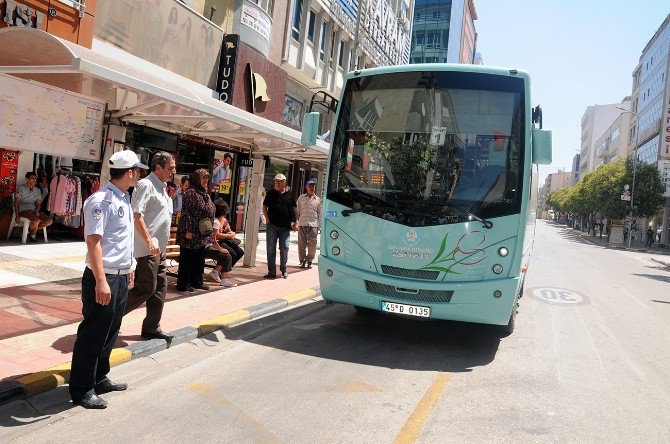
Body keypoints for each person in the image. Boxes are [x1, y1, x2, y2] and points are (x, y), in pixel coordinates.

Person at [69, 151, 148, 409]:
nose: (139, 174)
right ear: (129, 173)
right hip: (103, 278)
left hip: (120, 275)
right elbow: (94, 243)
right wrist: (102, 281)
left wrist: (130, 267)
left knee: (110, 331)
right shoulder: (100, 201)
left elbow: (121, 241)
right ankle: (82, 389)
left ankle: (99, 377)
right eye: (137, 170)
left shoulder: (124, 197)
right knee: (93, 333)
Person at [123, 152, 175, 342]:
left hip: (159, 249)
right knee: (146, 288)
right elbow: (137, 216)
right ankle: (109, 317)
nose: (173, 171)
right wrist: (148, 241)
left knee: (160, 289)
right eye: (170, 168)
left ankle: (152, 327)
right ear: (158, 167)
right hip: (148, 248)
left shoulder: (163, 188)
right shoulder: (146, 185)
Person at [176, 169, 214, 292]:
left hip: (201, 232)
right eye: (203, 178)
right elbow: (187, 214)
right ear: (197, 179)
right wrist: (189, 230)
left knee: (198, 259)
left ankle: (196, 281)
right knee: (187, 259)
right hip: (190, 231)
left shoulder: (204, 193)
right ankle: (183, 284)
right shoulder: (191, 193)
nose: (206, 181)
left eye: (207, 178)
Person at [263, 173, 298, 279]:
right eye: (276, 181)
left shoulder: (290, 194)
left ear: (284, 182)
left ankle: (283, 269)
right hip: (272, 226)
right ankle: (272, 272)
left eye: (279, 181)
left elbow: (295, 209)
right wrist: (267, 220)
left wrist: (296, 222)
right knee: (270, 249)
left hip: (285, 228)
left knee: (284, 248)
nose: (277, 183)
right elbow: (264, 207)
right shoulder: (270, 194)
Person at [204, 203, 237, 287]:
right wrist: (220, 249)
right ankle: (224, 280)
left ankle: (217, 273)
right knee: (227, 256)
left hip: (202, 247)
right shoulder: (216, 222)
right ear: (223, 213)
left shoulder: (211, 219)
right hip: (205, 248)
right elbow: (213, 238)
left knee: (228, 254)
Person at [13, 171, 53, 241]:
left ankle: (29, 231)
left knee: (49, 221)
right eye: (32, 178)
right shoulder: (21, 188)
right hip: (23, 211)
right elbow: (16, 202)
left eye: (35, 178)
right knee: (36, 220)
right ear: (27, 179)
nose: (34, 180)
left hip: (33, 211)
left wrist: (37, 210)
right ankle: (32, 234)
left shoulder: (37, 190)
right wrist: (17, 215)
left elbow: (38, 203)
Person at [296, 179, 321, 269]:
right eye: (310, 186)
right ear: (306, 187)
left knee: (313, 244)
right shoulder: (301, 198)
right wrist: (296, 222)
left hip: (313, 225)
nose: (311, 188)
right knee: (301, 244)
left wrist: (320, 226)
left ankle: (309, 260)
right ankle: (302, 261)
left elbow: (320, 213)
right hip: (302, 223)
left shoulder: (318, 200)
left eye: (313, 186)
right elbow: (297, 210)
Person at [214, 201, 245, 267]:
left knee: (240, 252)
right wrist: (229, 235)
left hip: (224, 240)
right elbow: (216, 235)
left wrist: (231, 233)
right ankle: (221, 271)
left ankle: (222, 270)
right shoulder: (214, 221)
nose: (225, 215)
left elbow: (229, 230)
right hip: (217, 242)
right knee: (232, 254)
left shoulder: (224, 220)